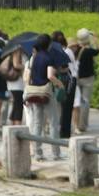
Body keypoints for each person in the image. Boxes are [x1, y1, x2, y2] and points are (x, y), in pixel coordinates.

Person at [24, 34, 64, 162]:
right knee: (53, 123)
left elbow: (28, 76)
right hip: (46, 92)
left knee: (37, 123)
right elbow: (50, 76)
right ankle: (56, 153)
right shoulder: (49, 57)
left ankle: (38, 153)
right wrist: (60, 84)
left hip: (34, 92)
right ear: (48, 44)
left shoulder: (33, 58)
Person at [72, 29, 99, 134]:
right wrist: (95, 38)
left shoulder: (75, 49)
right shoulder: (89, 51)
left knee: (76, 102)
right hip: (88, 78)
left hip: (77, 78)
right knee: (85, 101)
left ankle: (76, 124)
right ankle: (83, 125)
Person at [55, 32, 77, 139]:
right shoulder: (67, 51)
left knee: (65, 107)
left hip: (68, 81)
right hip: (69, 80)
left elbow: (64, 67)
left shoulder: (64, 52)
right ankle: (64, 131)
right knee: (66, 107)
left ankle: (64, 132)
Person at [0, 45, 26, 126]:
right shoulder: (17, 52)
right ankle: (16, 125)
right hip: (17, 84)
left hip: (15, 84)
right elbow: (16, 65)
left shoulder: (15, 53)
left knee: (16, 105)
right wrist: (27, 66)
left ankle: (14, 124)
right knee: (18, 105)